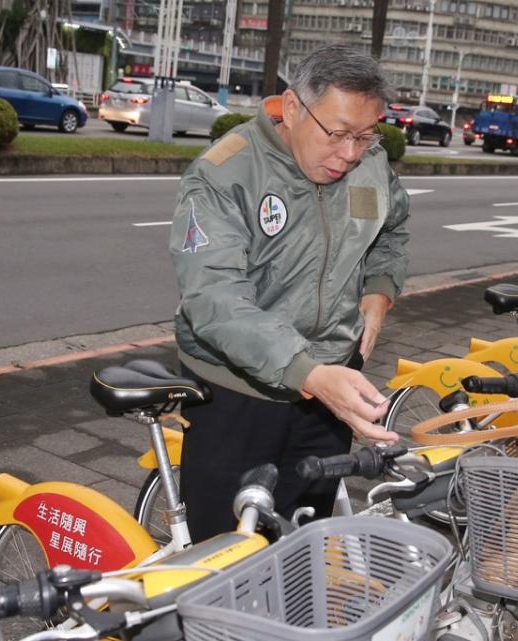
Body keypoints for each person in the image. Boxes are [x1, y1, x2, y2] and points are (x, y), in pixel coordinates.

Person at [168, 45, 410, 541]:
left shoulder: (371, 165)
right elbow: (215, 298)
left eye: (366, 135)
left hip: (328, 387)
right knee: (226, 554)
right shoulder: (226, 172)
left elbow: (392, 230)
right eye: (338, 134)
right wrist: (309, 373)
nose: (349, 154)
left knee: (302, 542)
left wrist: (379, 293)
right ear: (294, 107)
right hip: (236, 393)